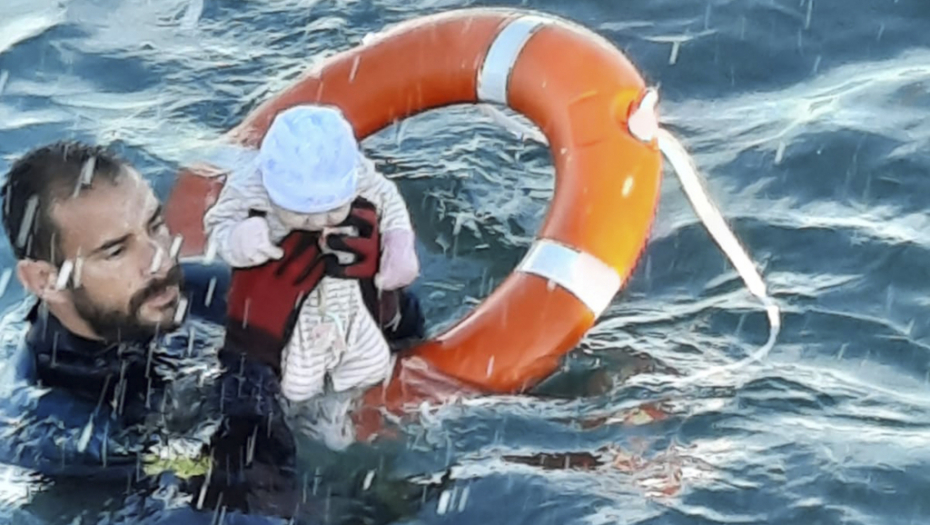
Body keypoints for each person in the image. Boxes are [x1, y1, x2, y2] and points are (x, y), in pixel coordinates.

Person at [0, 140, 441, 524]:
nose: (159, 260)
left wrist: (377, 298)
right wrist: (253, 354)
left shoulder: (198, 293)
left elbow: (398, 351)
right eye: (115, 251)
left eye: (155, 225)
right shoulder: (55, 429)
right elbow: (241, 504)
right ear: (44, 280)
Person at [203, 104, 421, 451]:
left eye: (333, 210)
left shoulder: (360, 175)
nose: (321, 223)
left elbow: (390, 204)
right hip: (275, 317)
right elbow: (219, 221)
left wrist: (399, 247)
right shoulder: (251, 184)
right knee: (256, 396)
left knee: (371, 350)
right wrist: (240, 237)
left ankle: (345, 407)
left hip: (347, 298)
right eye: (303, 214)